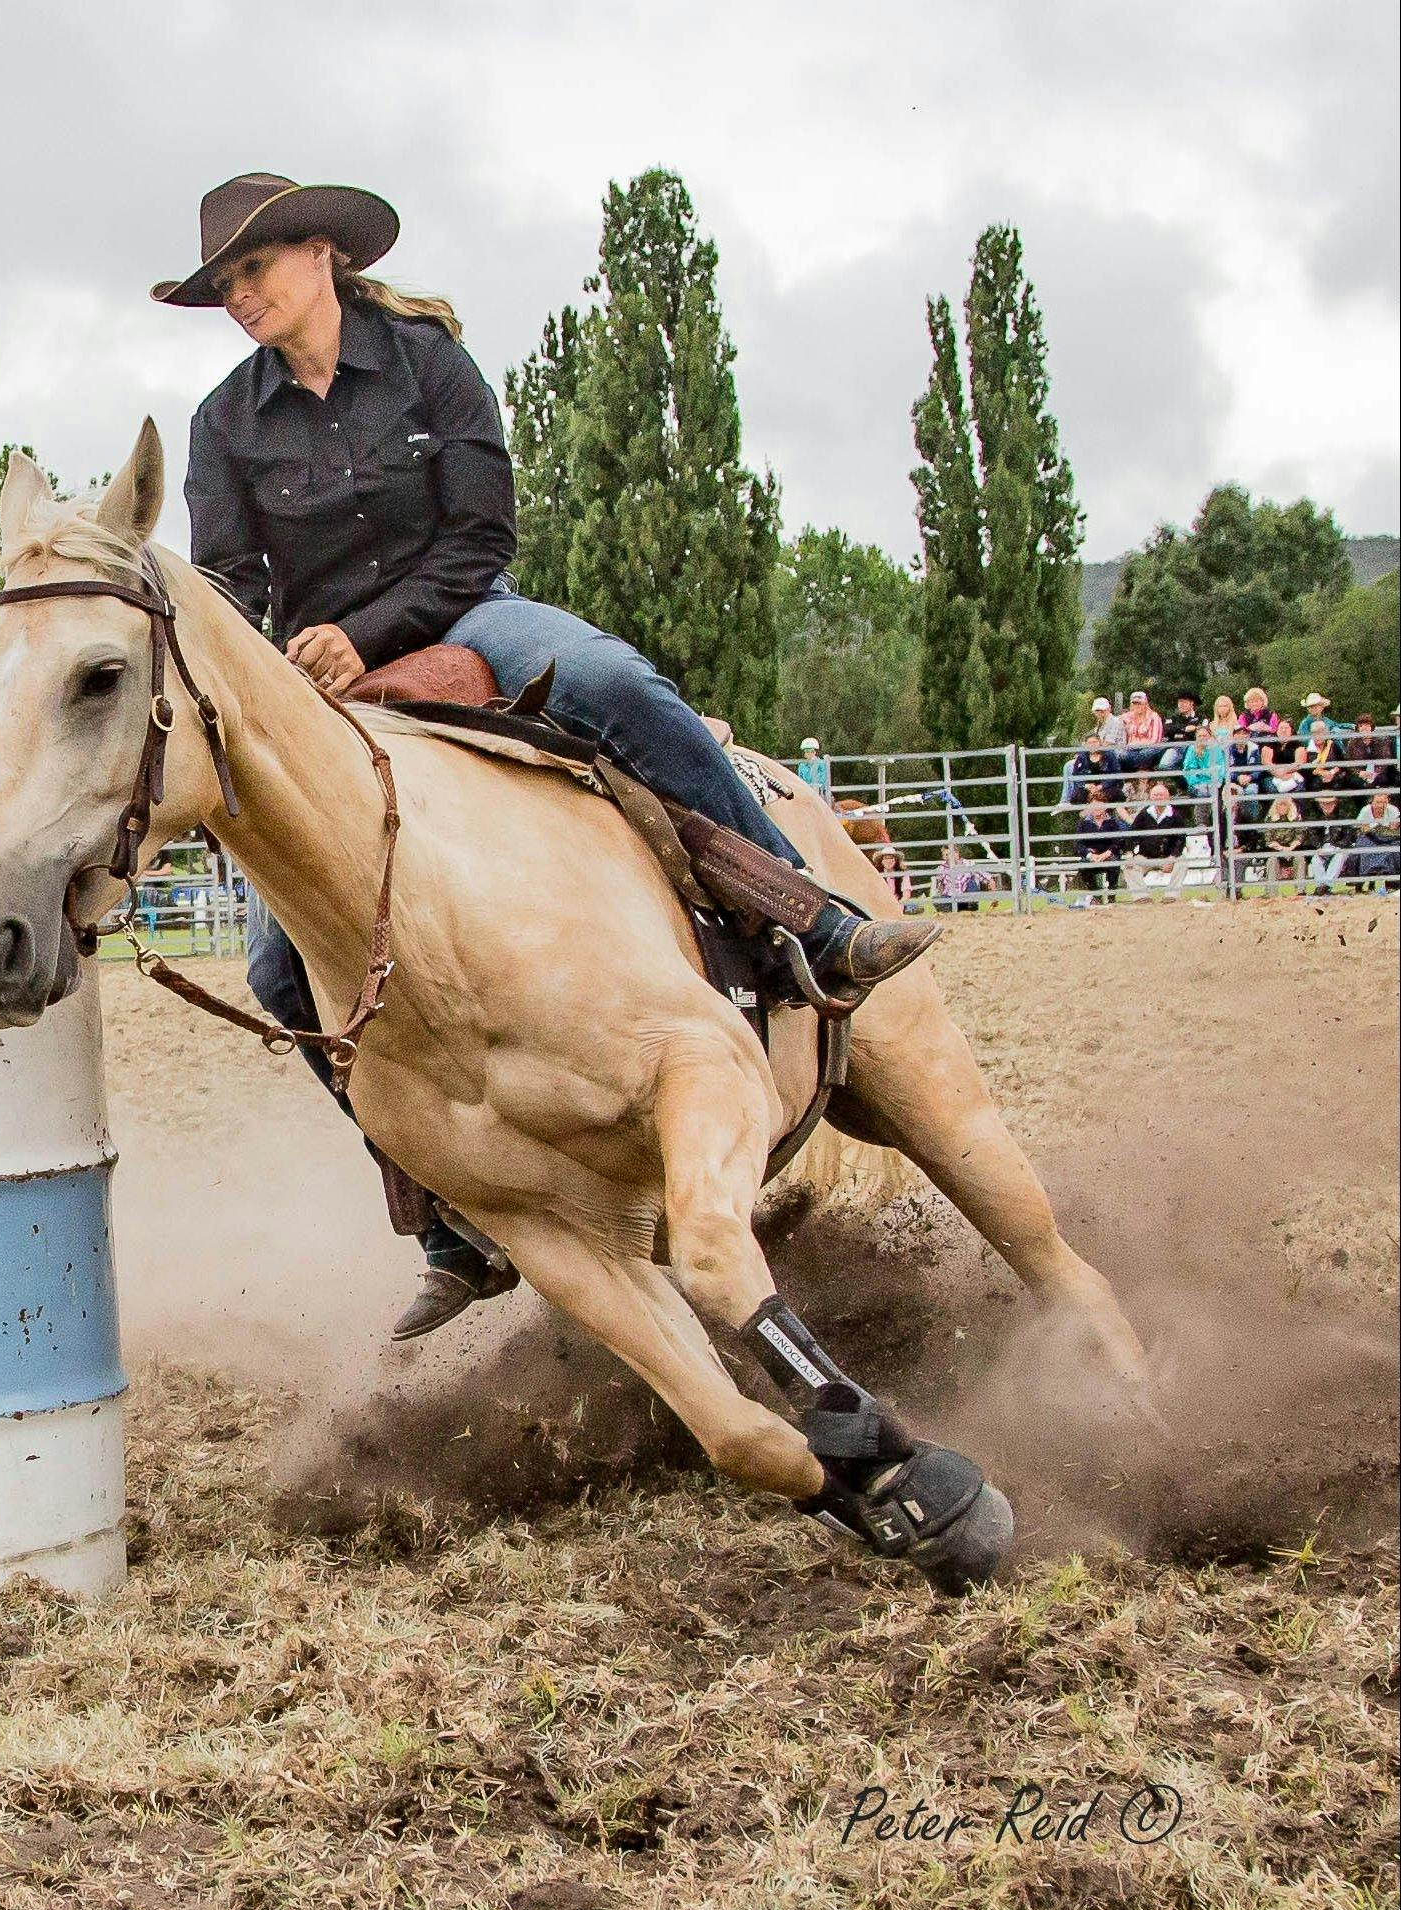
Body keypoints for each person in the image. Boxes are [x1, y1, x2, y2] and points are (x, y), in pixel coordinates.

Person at [160, 171, 935, 1342]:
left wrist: (361, 636)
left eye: (252, 270)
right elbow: (229, 589)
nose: (239, 296)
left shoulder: (428, 364)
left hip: (466, 616)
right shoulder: (224, 423)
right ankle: (445, 1220)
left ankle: (811, 917)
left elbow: (481, 539)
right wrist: (285, 671)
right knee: (278, 972)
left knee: (617, 684)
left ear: (319, 254)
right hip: (327, 695)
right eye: (223, 283)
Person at [1072, 797, 1126, 900]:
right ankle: (1096, 894)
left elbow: (1118, 842)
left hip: (1109, 854)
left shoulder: (1113, 822)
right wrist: (1090, 855)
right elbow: (1078, 844)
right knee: (1083, 867)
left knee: (1114, 864)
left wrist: (1106, 854)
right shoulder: (1083, 823)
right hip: (1091, 856)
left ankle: (1111, 896)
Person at [1346, 789, 1401, 882]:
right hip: (1368, 837)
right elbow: (1363, 829)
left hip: (1387, 838)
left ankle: (1392, 881)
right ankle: (1366, 876)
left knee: (1394, 850)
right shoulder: (1366, 810)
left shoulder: (1393, 810)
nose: (1380, 805)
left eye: (1384, 802)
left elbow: (1394, 829)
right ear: (1372, 801)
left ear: (1387, 802)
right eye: (1377, 802)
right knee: (1365, 848)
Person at [1117, 690, 1166, 771]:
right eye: (1134, 703)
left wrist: (1136, 744)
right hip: (1131, 750)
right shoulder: (1127, 716)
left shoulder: (1154, 717)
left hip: (1149, 748)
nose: (1137, 706)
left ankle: (1138, 770)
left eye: (1139, 703)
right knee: (1119, 754)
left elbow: (1155, 741)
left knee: (1144, 754)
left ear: (1145, 703)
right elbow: (1114, 720)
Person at [1177, 724, 1225, 800]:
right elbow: (1188, 770)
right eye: (1199, 736)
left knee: (1213, 790)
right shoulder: (1192, 749)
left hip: (1213, 782)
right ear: (1196, 737)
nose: (1202, 738)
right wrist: (1197, 783)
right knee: (1203, 791)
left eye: (1204, 735)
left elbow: (1220, 768)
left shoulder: (1216, 748)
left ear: (1210, 736)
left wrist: (1203, 774)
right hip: (1196, 783)